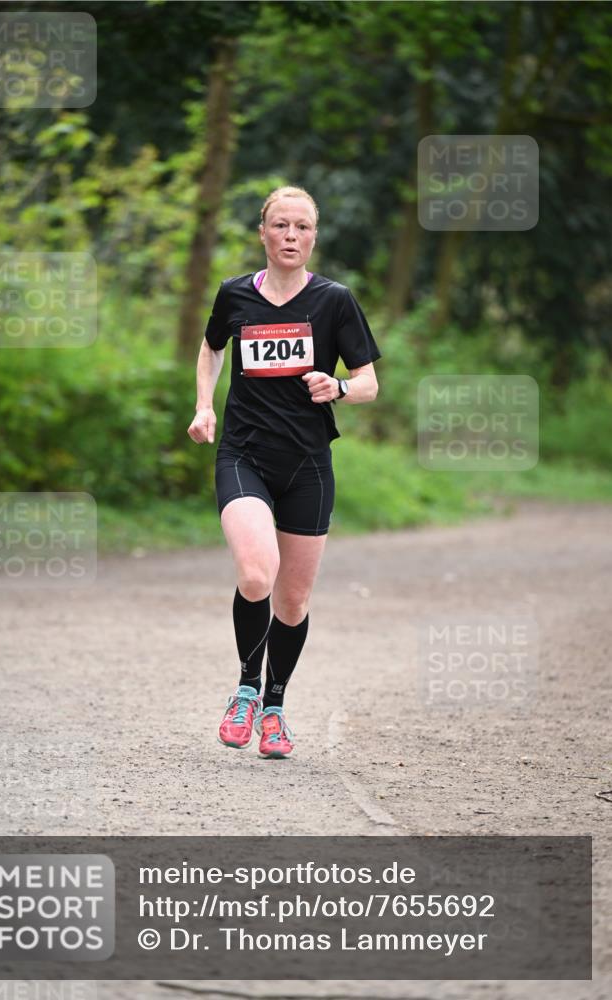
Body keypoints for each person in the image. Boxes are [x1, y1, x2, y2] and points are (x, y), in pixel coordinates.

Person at [187, 186, 381, 759]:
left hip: (307, 465)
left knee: (292, 603)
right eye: (280, 225)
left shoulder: (334, 301)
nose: (290, 235)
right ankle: (246, 691)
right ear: (263, 233)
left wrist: (338, 387)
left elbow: (368, 383)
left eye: (301, 227)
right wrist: (203, 406)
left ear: (313, 237)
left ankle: (274, 708)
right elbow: (211, 348)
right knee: (256, 575)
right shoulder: (234, 294)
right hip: (244, 455)